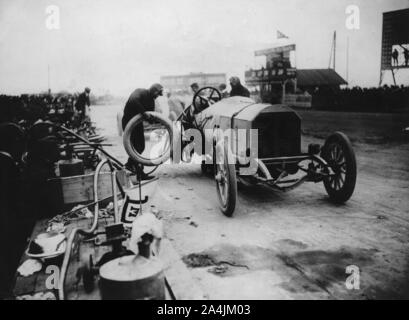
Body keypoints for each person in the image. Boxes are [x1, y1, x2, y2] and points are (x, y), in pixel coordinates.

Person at [122, 83, 163, 180]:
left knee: (141, 147)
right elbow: (133, 101)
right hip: (128, 122)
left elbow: (149, 116)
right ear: (154, 90)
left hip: (137, 124)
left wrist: (156, 120)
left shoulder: (151, 102)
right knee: (134, 148)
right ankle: (139, 173)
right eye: (157, 94)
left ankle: (129, 165)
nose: (157, 96)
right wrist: (143, 113)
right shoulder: (140, 91)